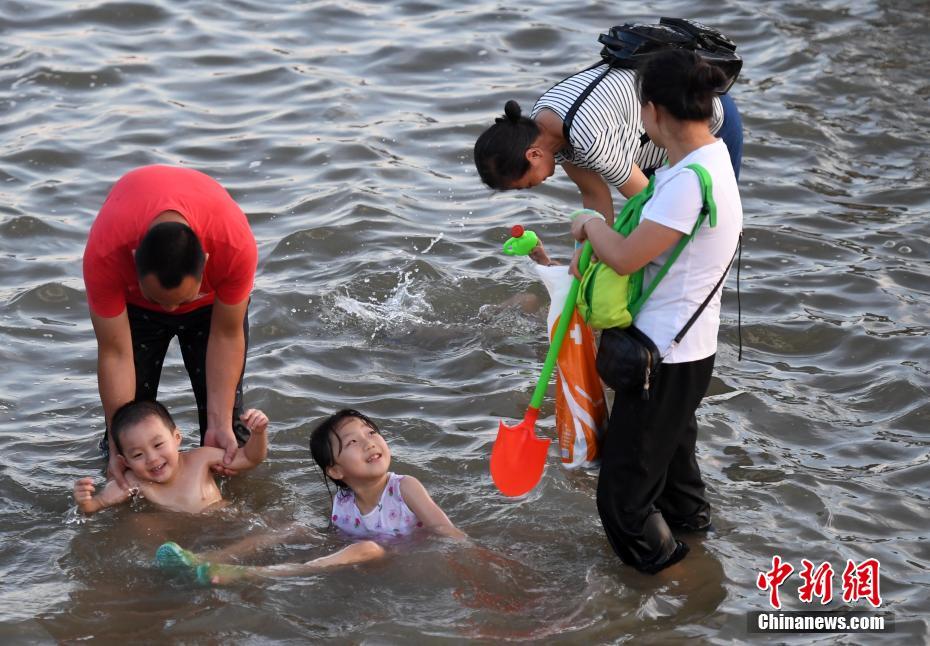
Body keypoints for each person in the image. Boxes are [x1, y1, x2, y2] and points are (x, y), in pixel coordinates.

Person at [568, 49, 743, 573]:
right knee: (675, 478)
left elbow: (624, 256)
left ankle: (671, 580)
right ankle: (701, 560)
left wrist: (588, 225)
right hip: (687, 350)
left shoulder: (688, 181)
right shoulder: (708, 162)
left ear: (652, 112)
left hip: (662, 358)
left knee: (622, 500)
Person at [83, 165, 258, 487]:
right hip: (136, 311)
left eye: (180, 301)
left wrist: (219, 422)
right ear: (134, 259)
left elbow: (226, 333)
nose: (171, 310)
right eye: (161, 301)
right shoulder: (105, 253)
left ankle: (228, 510)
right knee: (127, 439)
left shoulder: (233, 246)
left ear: (205, 260)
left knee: (227, 434)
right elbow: (114, 353)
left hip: (210, 313)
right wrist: (115, 441)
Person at [157, 408, 464, 585]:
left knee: (367, 547)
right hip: (354, 552)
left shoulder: (405, 486)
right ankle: (206, 560)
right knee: (294, 529)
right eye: (353, 442)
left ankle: (252, 574)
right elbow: (336, 538)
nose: (370, 443)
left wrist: (469, 553)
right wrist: (298, 540)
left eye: (372, 433)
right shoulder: (341, 503)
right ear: (335, 471)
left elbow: (443, 529)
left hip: (396, 556)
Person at [473, 56, 742, 222]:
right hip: (656, 135)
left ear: (532, 155)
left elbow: (648, 204)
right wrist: (589, 260)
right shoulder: (546, 123)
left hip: (706, 116)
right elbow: (594, 195)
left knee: (705, 226)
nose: (531, 188)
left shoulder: (590, 139)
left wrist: (613, 256)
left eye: (523, 186)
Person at [72, 400, 268, 515]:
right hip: (180, 539)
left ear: (177, 438)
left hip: (223, 522)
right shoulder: (134, 481)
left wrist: (258, 434)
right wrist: (85, 502)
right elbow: (99, 503)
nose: (152, 458)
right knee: (142, 523)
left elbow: (249, 459)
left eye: (158, 445)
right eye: (138, 455)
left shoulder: (200, 459)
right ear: (125, 462)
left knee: (283, 530)